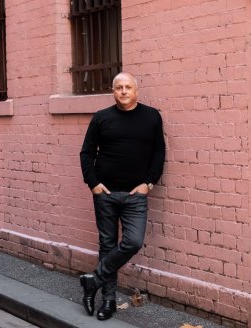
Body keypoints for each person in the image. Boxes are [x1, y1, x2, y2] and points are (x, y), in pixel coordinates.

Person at [79, 72, 166, 321]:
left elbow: (159, 152)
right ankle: (108, 301)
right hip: (105, 194)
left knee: (133, 242)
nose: (124, 91)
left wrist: (149, 183)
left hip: (134, 195)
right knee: (107, 245)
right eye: (119, 87)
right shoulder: (101, 118)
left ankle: (92, 281)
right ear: (113, 91)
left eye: (128, 87)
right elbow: (86, 153)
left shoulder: (151, 117)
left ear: (136, 90)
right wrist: (93, 183)